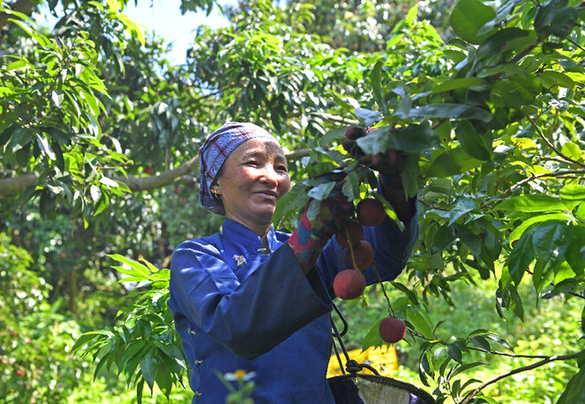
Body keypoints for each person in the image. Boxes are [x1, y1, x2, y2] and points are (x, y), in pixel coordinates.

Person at [167, 121, 418, 403]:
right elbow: (236, 326)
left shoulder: (310, 249)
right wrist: (310, 234)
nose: (271, 177)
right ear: (215, 184)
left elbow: (384, 257)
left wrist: (394, 179)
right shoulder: (196, 257)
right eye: (254, 162)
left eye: (281, 168)